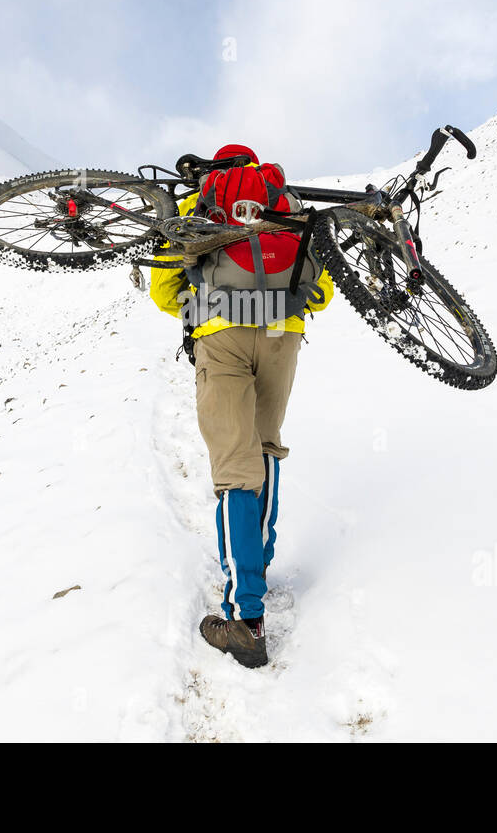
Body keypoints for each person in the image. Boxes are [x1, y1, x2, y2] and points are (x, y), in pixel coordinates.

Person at [149, 144, 333, 668]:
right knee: (265, 447)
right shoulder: (287, 204)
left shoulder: (197, 207)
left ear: (214, 172)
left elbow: (166, 293)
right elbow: (319, 290)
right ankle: (259, 565)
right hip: (283, 335)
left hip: (221, 334)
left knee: (234, 466)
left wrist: (206, 295)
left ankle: (245, 618)